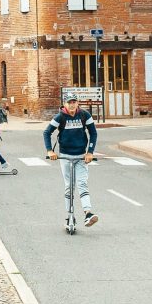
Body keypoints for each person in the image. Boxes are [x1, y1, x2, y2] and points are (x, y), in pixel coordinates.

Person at [44, 94, 99, 227]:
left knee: (82, 183)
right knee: (69, 186)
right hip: (65, 156)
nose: (72, 105)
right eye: (69, 103)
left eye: (74, 102)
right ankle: (70, 216)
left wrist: (90, 152)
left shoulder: (84, 115)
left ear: (77, 103)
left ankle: (88, 213)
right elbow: (47, 132)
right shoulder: (60, 117)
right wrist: (50, 151)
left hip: (81, 156)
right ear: (65, 104)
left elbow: (93, 133)